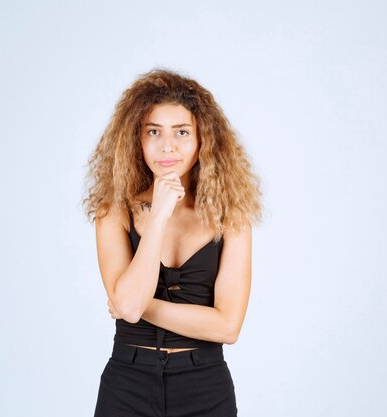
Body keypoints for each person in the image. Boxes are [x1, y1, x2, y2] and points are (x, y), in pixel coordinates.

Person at [82, 68, 263, 417]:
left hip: (205, 385)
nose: (168, 146)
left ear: (202, 140)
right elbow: (129, 308)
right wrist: (159, 215)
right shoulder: (114, 211)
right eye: (154, 131)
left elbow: (227, 327)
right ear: (137, 139)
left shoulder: (231, 218)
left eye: (181, 132)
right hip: (127, 383)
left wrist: (133, 304)